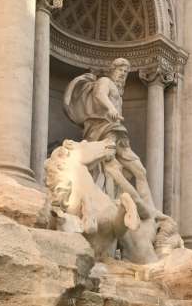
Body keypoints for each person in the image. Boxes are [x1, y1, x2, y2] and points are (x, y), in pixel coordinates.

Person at [64, 58, 156, 218]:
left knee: (140, 171)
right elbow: (100, 95)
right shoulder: (105, 81)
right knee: (108, 168)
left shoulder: (118, 92)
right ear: (112, 69)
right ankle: (105, 203)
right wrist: (111, 108)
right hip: (102, 128)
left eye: (126, 72)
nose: (123, 74)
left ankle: (151, 214)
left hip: (116, 130)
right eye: (121, 70)